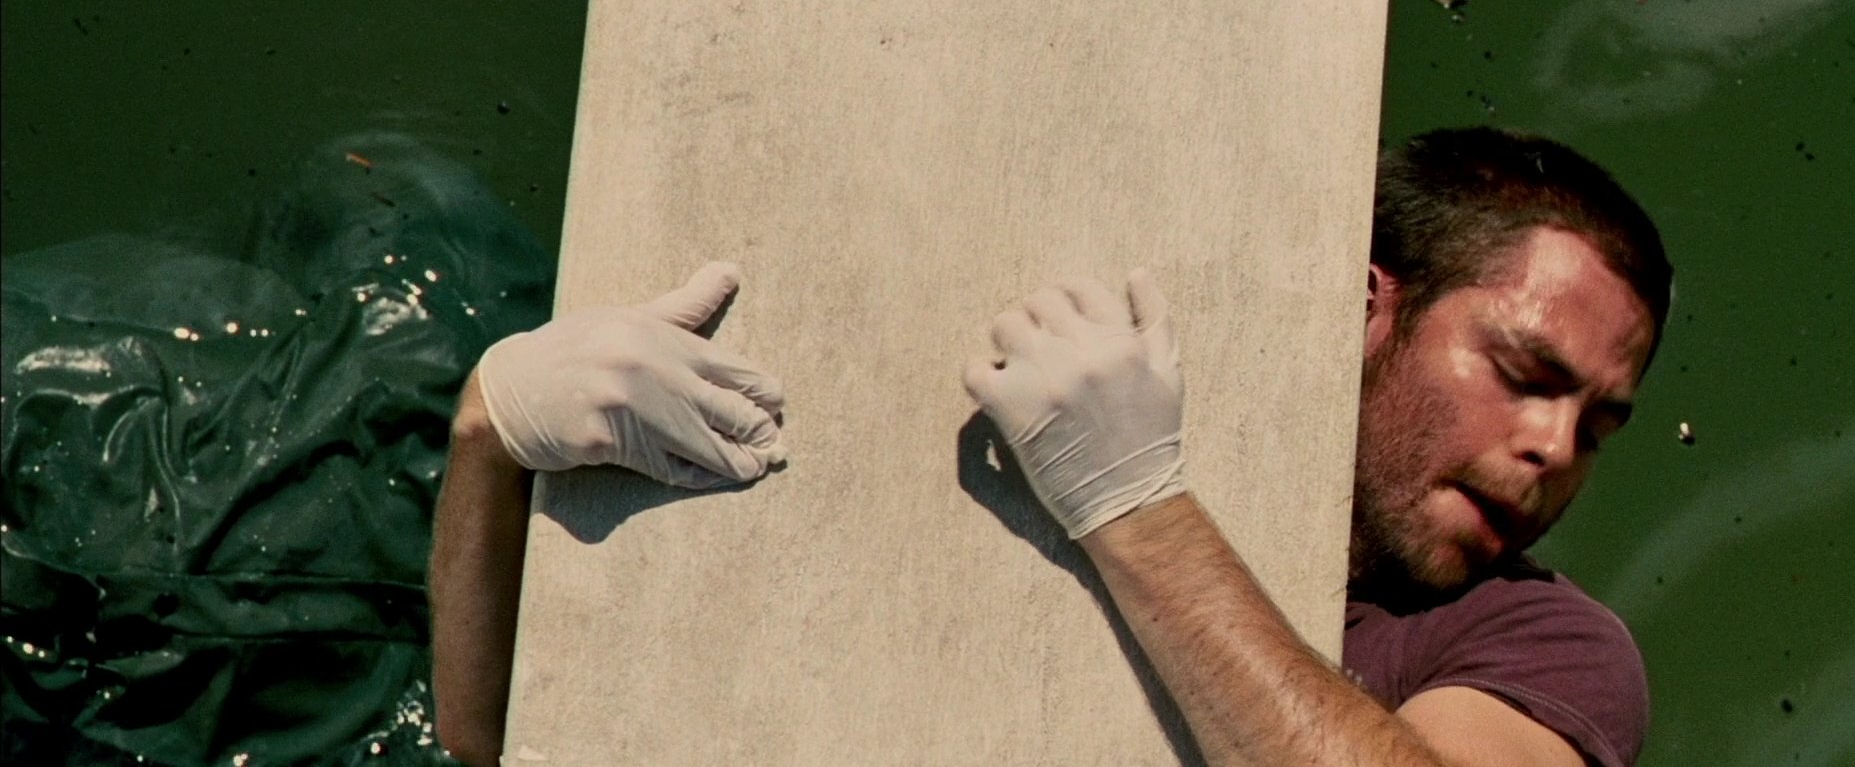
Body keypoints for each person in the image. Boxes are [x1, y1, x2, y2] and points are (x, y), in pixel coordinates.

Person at [430, 126, 1671, 766]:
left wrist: (1134, 506)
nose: (1554, 448)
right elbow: (495, 743)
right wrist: (492, 432)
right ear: (1365, 306)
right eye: (1525, 375)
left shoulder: (1542, 644)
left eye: (1600, 427)